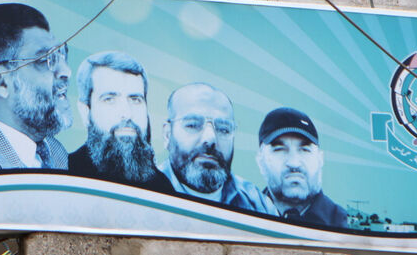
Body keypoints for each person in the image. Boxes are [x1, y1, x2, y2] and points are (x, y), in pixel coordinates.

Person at [0, 3, 72, 173]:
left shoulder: (56, 153)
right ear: (0, 80)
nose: (66, 71)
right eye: (45, 60)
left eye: (61, 54)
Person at [160, 83, 276, 214]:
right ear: (167, 135)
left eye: (223, 129)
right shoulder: (146, 191)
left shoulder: (259, 204)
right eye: (192, 125)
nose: (210, 139)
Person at [69, 51, 172, 193]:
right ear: (85, 111)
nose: (127, 114)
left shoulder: (163, 188)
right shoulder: (65, 174)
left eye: (135, 99)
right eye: (109, 99)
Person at [257, 107, 348, 228]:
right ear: (261, 162)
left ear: (320, 159)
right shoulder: (243, 215)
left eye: (305, 150)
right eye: (279, 149)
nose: (294, 163)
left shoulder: (344, 223)